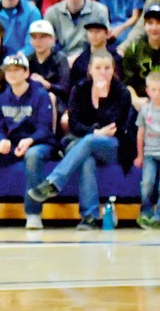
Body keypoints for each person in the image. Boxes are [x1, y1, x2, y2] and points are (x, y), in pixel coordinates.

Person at [30, 51, 134, 229]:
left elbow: (117, 127)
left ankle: (54, 182)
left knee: (89, 141)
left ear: (113, 70)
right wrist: (96, 132)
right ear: (90, 70)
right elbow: (74, 124)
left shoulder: (122, 93)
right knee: (87, 158)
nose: (103, 72)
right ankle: (89, 217)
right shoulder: (79, 89)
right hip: (84, 144)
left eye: (107, 68)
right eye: (98, 68)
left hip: (115, 146)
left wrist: (101, 101)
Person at [0, 53, 56, 229]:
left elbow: (45, 128)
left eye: (17, 70)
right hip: (11, 144)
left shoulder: (41, 95)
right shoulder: (1, 99)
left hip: (38, 143)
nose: (12, 74)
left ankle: (33, 213)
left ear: (26, 73)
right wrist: (0, 141)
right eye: (8, 70)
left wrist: (30, 140)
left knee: (33, 155)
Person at [44, 0, 111, 56]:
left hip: (89, 57)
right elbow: (48, 43)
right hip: (60, 59)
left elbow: (103, 40)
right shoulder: (52, 13)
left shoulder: (99, 10)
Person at [134, 71, 160, 228]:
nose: (157, 94)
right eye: (154, 90)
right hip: (149, 154)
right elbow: (140, 133)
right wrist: (140, 155)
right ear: (148, 91)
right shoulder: (145, 110)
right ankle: (146, 212)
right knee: (147, 183)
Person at [123, 4, 160, 110]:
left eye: (158, 23)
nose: (154, 27)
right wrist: (135, 99)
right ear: (144, 25)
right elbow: (127, 82)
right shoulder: (134, 50)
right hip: (143, 102)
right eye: (150, 23)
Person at [27, 20, 72, 105]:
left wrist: (45, 84)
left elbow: (64, 88)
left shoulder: (60, 59)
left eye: (42, 37)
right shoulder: (28, 61)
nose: (38, 41)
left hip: (56, 102)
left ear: (52, 39)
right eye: (34, 37)